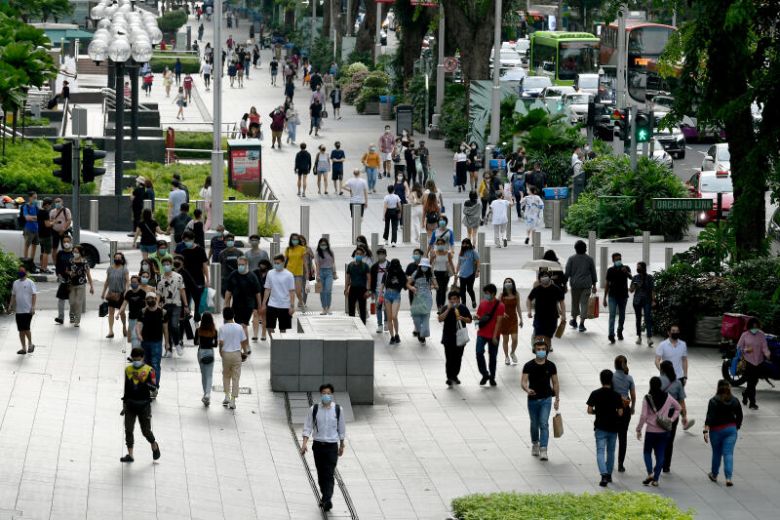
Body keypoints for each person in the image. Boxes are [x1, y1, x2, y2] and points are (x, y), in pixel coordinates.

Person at [301, 383, 346, 513]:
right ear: (320, 394)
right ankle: (326, 497)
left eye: (328, 393)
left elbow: (341, 429)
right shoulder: (314, 409)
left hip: (332, 446)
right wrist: (304, 444)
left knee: (329, 473)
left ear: (332, 395)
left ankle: (327, 499)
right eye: (324, 393)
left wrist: (342, 445)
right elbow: (308, 427)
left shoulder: (338, 410)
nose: (326, 395)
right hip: (318, 446)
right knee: (321, 474)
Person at [636, 376, 682, 487]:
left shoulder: (647, 398)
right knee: (661, 454)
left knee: (647, 452)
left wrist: (639, 429)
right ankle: (656, 479)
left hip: (651, 431)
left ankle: (650, 473)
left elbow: (643, 416)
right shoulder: (668, 396)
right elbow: (678, 407)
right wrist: (671, 419)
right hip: (664, 431)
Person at [120, 347, 161, 463]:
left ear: (142, 358)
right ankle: (130, 454)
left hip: (144, 405)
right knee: (128, 429)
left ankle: (154, 445)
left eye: (138, 358)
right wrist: (124, 404)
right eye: (135, 358)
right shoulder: (128, 369)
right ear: (132, 358)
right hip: (130, 404)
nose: (136, 360)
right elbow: (126, 388)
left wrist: (142, 380)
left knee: (146, 431)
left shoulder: (150, 370)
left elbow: (154, 389)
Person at [521, 338, 560, 461]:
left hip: (546, 399)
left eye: (543, 349)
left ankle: (543, 449)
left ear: (546, 350)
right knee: (534, 424)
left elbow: (555, 383)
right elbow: (523, 381)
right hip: (532, 400)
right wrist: (527, 390)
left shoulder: (551, 365)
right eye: (538, 349)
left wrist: (557, 399)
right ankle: (535, 443)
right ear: (534, 350)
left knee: (543, 423)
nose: (541, 351)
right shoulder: (529, 365)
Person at [586, 369, 624, 487]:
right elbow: (620, 413)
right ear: (611, 380)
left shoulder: (595, 393)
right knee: (611, 451)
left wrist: (597, 412)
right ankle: (609, 475)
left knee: (600, 451)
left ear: (601, 380)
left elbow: (589, 410)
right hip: (613, 427)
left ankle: (603, 475)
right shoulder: (616, 395)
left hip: (600, 426)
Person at [704, 380, 743, 487]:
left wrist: (705, 431)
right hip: (731, 430)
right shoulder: (735, 400)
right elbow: (739, 416)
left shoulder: (713, 401)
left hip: (716, 431)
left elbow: (709, 417)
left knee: (716, 453)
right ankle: (728, 478)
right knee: (728, 453)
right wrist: (736, 427)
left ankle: (714, 474)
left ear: (718, 388)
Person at [659, 360, 694, 474]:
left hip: (660, 414)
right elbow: (681, 401)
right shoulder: (678, 383)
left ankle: (659, 461)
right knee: (669, 440)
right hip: (673, 414)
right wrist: (684, 416)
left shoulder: (658, 381)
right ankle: (666, 466)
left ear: (662, 369)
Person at [224, 256, 263, 349]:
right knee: (239, 326)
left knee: (243, 326)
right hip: (236, 305)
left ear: (246, 265)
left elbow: (258, 293)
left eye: (242, 265)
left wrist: (259, 306)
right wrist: (226, 305)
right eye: (239, 264)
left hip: (248, 305)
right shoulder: (233, 275)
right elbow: (228, 291)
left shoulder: (252, 276)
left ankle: (245, 347)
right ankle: (246, 345)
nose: (240, 266)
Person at [438, 291, 473, 386]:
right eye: (451, 299)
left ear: (459, 299)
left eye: (455, 299)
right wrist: (448, 310)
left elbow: (470, 320)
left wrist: (462, 318)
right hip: (448, 338)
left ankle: (455, 375)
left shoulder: (463, 308)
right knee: (449, 358)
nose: (453, 301)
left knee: (458, 358)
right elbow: (440, 319)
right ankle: (449, 377)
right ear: (449, 300)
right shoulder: (446, 308)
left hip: (460, 338)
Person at [737, 317, 771, 410]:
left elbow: (764, 347)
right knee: (751, 382)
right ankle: (752, 403)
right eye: (753, 327)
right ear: (749, 326)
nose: (755, 328)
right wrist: (746, 350)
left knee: (753, 382)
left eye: (756, 326)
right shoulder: (745, 335)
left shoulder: (761, 335)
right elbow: (739, 347)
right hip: (749, 362)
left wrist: (767, 354)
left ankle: (745, 394)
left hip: (759, 362)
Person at [218, 307, 249, 410]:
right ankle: (233, 401)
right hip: (236, 354)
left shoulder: (222, 328)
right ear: (233, 315)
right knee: (236, 377)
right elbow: (244, 341)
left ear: (224, 317)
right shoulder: (239, 327)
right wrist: (244, 352)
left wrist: (221, 352)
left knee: (226, 375)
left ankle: (226, 395)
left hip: (226, 354)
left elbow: (221, 343)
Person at [157, 256, 188, 357]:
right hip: (165, 306)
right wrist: (157, 305)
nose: (166, 266)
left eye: (168, 264)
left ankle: (177, 343)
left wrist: (186, 305)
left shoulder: (178, 276)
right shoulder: (160, 278)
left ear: (171, 265)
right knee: (166, 328)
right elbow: (158, 293)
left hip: (176, 305)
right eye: (164, 264)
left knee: (174, 325)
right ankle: (169, 349)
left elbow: (182, 290)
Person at [474, 283, 504, 386]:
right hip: (482, 333)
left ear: (493, 293)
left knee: (493, 356)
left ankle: (492, 377)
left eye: (487, 293)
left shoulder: (500, 306)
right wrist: (476, 318)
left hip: (493, 335)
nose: (486, 295)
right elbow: (479, 315)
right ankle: (485, 374)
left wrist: (495, 336)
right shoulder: (482, 303)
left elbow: (499, 322)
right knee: (478, 353)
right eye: (485, 293)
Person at [526, 272, 565, 350]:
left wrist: (563, 315)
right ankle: (540, 355)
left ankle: (545, 353)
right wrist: (529, 311)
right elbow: (529, 299)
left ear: (549, 278)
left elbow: (561, 302)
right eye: (542, 277)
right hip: (539, 317)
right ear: (540, 279)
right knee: (539, 336)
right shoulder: (537, 289)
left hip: (552, 318)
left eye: (546, 276)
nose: (544, 278)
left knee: (547, 337)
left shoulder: (555, 289)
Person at [565, 240, 597, 333]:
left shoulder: (571, 259)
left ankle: (574, 320)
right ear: (585, 249)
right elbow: (593, 272)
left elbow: (567, 272)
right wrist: (594, 284)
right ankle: (582, 324)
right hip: (587, 285)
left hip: (575, 284)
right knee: (584, 304)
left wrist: (564, 283)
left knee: (575, 303)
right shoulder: (589, 259)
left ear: (575, 249)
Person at [136, 292, 165, 392]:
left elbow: (165, 328)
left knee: (155, 364)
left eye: (151, 298)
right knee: (146, 364)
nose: (150, 300)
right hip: (145, 342)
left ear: (156, 299)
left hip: (157, 342)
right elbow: (139, 324)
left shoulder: (162, 312)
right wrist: (139, 334)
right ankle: (148, 385)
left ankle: (154, 387)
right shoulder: (143, 312)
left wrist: (167, 342)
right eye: (148, 299)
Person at [612, 355, 636, 473]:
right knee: (623, 437)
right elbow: (634, 396)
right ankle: (620, 463)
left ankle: (610, 461)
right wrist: (632, 408)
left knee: (611, 436)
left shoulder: (611, 377)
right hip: (625, 409)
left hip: (613, 409)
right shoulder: (629, 378)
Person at [262, 254, 296, 335]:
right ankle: (273, 343)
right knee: (269, 327)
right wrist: (263, 304)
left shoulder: (289, 275)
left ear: (283, 263)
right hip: (272, 304)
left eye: (278, 263)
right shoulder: (270, 273)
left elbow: (292, 292)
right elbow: (267, 289)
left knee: (283, 329)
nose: (276, 265)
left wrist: (292, 306)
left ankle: (281, 345)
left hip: (284, 305)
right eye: (275, 263)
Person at [604, 252, 632, 344]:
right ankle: (611, 334)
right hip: (612, 296)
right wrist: (604, 297)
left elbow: (632, 278)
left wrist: (626, 272)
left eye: (619, 259)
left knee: (622, 315)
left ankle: (620, 330)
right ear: (613, 260)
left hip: (623, 296)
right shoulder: (610, 270)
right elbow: (607, 284)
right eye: (616, 259)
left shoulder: (626, 268)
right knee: (612, 315)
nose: (618, 261)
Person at [10, 266, 37, 355]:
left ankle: (30, 344)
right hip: (19, 310)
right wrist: (10, 305)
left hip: (28, 310)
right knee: (21, 330)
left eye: (22, 271)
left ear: (26, 272)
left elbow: (34, 295)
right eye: (19, 271)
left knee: (26, 328)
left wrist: (33, 307)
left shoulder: (30, 282)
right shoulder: (15, 283)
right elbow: (13, 295)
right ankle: (23, 348)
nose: (20, 272)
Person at [408, 258, 436, 343]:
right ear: (420, 266)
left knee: (426, 316)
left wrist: (434, 286)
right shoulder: (416, 273)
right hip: (418, 298)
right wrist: (412, 288)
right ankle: (419, 330)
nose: (424, 267)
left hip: (427, 297)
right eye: (423, 266)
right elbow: (407, 283)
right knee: (417, 317)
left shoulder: (430, 274)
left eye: (426, 266)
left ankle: (423, 334)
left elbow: (436, 284)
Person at [102, 252, 129, 339]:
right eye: (116, 257)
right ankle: (110, 330)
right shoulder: (110, 268)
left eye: (119, 258)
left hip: (121, 293)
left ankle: (124, 327)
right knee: (110, 312)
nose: (117, 259)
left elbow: (127, 281)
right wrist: (103, 292)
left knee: (122, 313)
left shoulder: (124, 269)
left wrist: (126, 291)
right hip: (111, 293)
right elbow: (107, 281)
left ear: (122, 259)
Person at [499, 278, 524, 365]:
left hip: (513, 318)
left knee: (515, 339)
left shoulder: (516, 294)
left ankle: (512, 352)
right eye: (506, 282)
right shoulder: (501, 295)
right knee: (505, 339)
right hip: (504, 320)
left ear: (512, 283)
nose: (507, 283)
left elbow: (518, 307)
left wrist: (521, 319)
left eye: (509, 282)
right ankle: (506, 357)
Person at [381, 259, 406, 344]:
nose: (395, 267)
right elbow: (382, 284)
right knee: (389, 317)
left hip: (396, 295)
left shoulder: (401, 273)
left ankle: (397, 334)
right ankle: (392, 336)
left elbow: (404, 283)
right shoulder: (387, 273)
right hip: (387, 295)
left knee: (394, 316)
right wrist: (380, 296)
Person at [344, 247, 372, 324]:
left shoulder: (365, 266)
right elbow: (347, 278)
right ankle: (352, 324)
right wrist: (346, 289)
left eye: (360, 254)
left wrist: (369, 290)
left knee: (362, 308)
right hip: (352, 289)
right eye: (357, 254)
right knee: (351, 308)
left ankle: (363, 324)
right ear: (355, 255)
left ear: (362, 256)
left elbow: (369, 278)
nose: (358, 255)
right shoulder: (350, 265)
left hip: (362, 289)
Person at [68, 245, 94, 327]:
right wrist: (69, 273)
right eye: (74, 251)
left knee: (78, 302)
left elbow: (88, 274)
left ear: (80, 252)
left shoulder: (84, 262)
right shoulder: (70, 261)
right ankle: (72, 314)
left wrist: (91, 286)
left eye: (77, 252)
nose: (75, 253)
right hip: (71, 284)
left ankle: (77, 320)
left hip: (81, 284)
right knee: (72, 302)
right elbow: (66, 271)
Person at [630, 261, 655, 346]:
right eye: (637, 267)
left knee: (648, 318)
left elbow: (652, 290)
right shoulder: (635, 277)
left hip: (647, 300)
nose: (638, 269)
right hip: (637, 300)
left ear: (644, 268)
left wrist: (653, 300)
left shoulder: (649, 277)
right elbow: (631, 290)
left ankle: (649, 337)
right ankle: (639, 336)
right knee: (638, 318)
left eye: (639, 267)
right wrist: (634, 286)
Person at [119, 275, 146, 350]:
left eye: (135, 282)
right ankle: (135, 352)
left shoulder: (142, 293)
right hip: (131, 318)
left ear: (139, 283)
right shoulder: (129, 293)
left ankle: (138, 353)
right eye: (132, 282)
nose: (133, 283)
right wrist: (119, 313)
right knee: (132, 338)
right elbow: (124, 304)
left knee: (137, 335)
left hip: (141, 318)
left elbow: (147, 305)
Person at [430, 238, 455, 310]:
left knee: (443, 290)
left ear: (444, 245)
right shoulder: (434, 253)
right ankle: (439, 307)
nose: (440, 245)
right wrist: (432, 258)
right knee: (438, 290)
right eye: (438, 244)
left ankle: (442, 306)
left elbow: (451, 263)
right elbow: (430, 263)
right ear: (436, 245)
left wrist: (454, 272)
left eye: (441, 244)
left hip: (445, 273)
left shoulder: (448, 253)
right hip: (437, 273)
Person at [53, 235, 74, 325]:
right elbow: (57, 265)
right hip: (62, 279)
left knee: (72, 299)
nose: (66, 243)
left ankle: (72, 316)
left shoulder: (74, 253)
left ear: (70, 242)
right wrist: (58, 274)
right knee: (61, 299)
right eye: (64, 241)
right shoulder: (60, 253)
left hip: (72, 280)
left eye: (67, 241)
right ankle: (60, 317)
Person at [284, 233, 307, 310]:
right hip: (288, 272)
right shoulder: (288, 249)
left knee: (298, 291)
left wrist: (307, 271)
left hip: (298, 273)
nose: (295, 241)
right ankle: (291, 306)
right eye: (293, 239)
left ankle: (301, 302)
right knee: (289, 291)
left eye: (296, 239)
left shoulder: (302, 249)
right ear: (291, 240)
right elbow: (284, 260)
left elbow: (304, 261)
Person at [369, 248, 389, 334]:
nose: (381, 256)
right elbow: (371, 279)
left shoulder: (390, 265)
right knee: (379, 307)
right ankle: (379, 325)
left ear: (385, 255)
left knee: (387, 307)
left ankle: (386, 323)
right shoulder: (374, 267)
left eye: (382, 254)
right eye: (379, 254)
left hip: (388, 291)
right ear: (377, 255)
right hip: (378, 291)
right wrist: (372, 291)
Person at [314, 238, 336, 316]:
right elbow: (317, 265)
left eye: (325, 244)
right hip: (321, 272)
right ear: (319, 245)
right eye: (322, 244)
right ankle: (324, 308)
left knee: (328, 290)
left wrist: (334, 273)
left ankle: (328, 308)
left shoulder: (331, 252)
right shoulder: (317, 253)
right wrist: (317, 275)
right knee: (322, 291)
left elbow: (333, 263)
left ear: (327, 245)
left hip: (329, 272)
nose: (323, 246)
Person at [456, 238, 480, 309]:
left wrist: (477, 271)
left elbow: (478, 261)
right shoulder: (461, 252)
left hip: (470, 274)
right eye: (463, 243)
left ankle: (473, 300)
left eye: (466, 243)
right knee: (462, 291)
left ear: (469, 244)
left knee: (469, 289)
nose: (465, 245)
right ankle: (463, 305)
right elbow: (459, 263)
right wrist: (456, 273)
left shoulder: (473, 252)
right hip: (462, 274)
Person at [21, 192, 39, 265]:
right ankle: (25, 262)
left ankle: (31, 262)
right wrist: (35, 218)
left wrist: (33, 218)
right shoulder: (26, 206)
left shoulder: (36, 207)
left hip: (36, 229)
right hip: (28, 229)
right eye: (34, 198)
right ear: (30, 198)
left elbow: (40, 217)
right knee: (27, 245)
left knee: (34, 246)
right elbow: (27, 218)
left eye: (36, 198)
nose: (35, 199)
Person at [36, 198, 53, 274]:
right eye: (50, 205)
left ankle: (41, 267)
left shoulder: (39, 211)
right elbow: (47, 224)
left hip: (40, 234)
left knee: (42, 252)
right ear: (47, 205)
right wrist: (53, 222)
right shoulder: (45, 212)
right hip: (46, 235)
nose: (50, 206)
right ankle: (44, 268)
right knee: (46, 252)